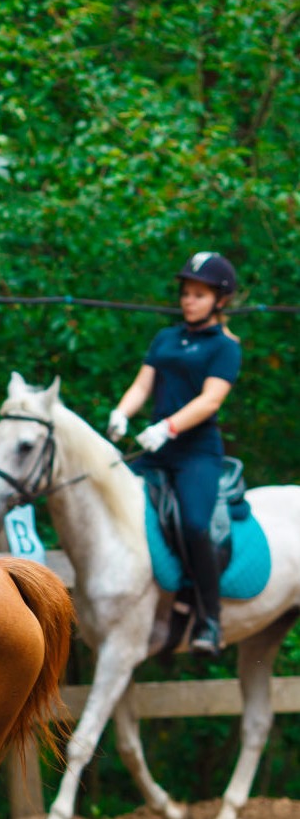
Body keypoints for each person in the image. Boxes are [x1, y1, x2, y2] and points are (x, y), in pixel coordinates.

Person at [106, 251, 241, 657]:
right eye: (186, 292)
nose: (188, 300)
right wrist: (121, 413)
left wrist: (168, 427)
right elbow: (142, 386)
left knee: (196, 525)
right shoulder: (165, 339)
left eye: (199, 294)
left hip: (195, 454)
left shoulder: (225, 347)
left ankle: (210, 618)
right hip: (153, 449)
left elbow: (210, 401)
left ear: (220, 300)